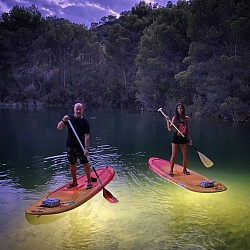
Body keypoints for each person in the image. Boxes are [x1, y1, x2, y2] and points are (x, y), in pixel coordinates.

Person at [57, 103, 93, 189]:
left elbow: (87, 136)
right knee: (72, 163)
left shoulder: (85, 122)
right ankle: (74, 182)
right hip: (70, 146)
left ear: (82, 110)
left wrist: (86, 148)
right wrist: (63, 120)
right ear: (74, 109)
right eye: (77, 109)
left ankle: (89, 181)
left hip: (81, 147)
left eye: (80, 109)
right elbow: (59, 128)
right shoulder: (69, 119)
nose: (78, 111)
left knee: (85, 163)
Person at [166, 103, 192, 177]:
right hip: (176, 138)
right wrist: (167, 121)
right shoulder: (175, 118)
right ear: (176, 110)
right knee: (174, 155)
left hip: (183, 138)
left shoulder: (186, 119)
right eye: (178, 108)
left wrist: (190, 139)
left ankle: (184, 169)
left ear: (183, 109)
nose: (179, 110)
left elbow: (188, 130)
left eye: (181, 108)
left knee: (185, 155)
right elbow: (170, 129)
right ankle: (171, 170)